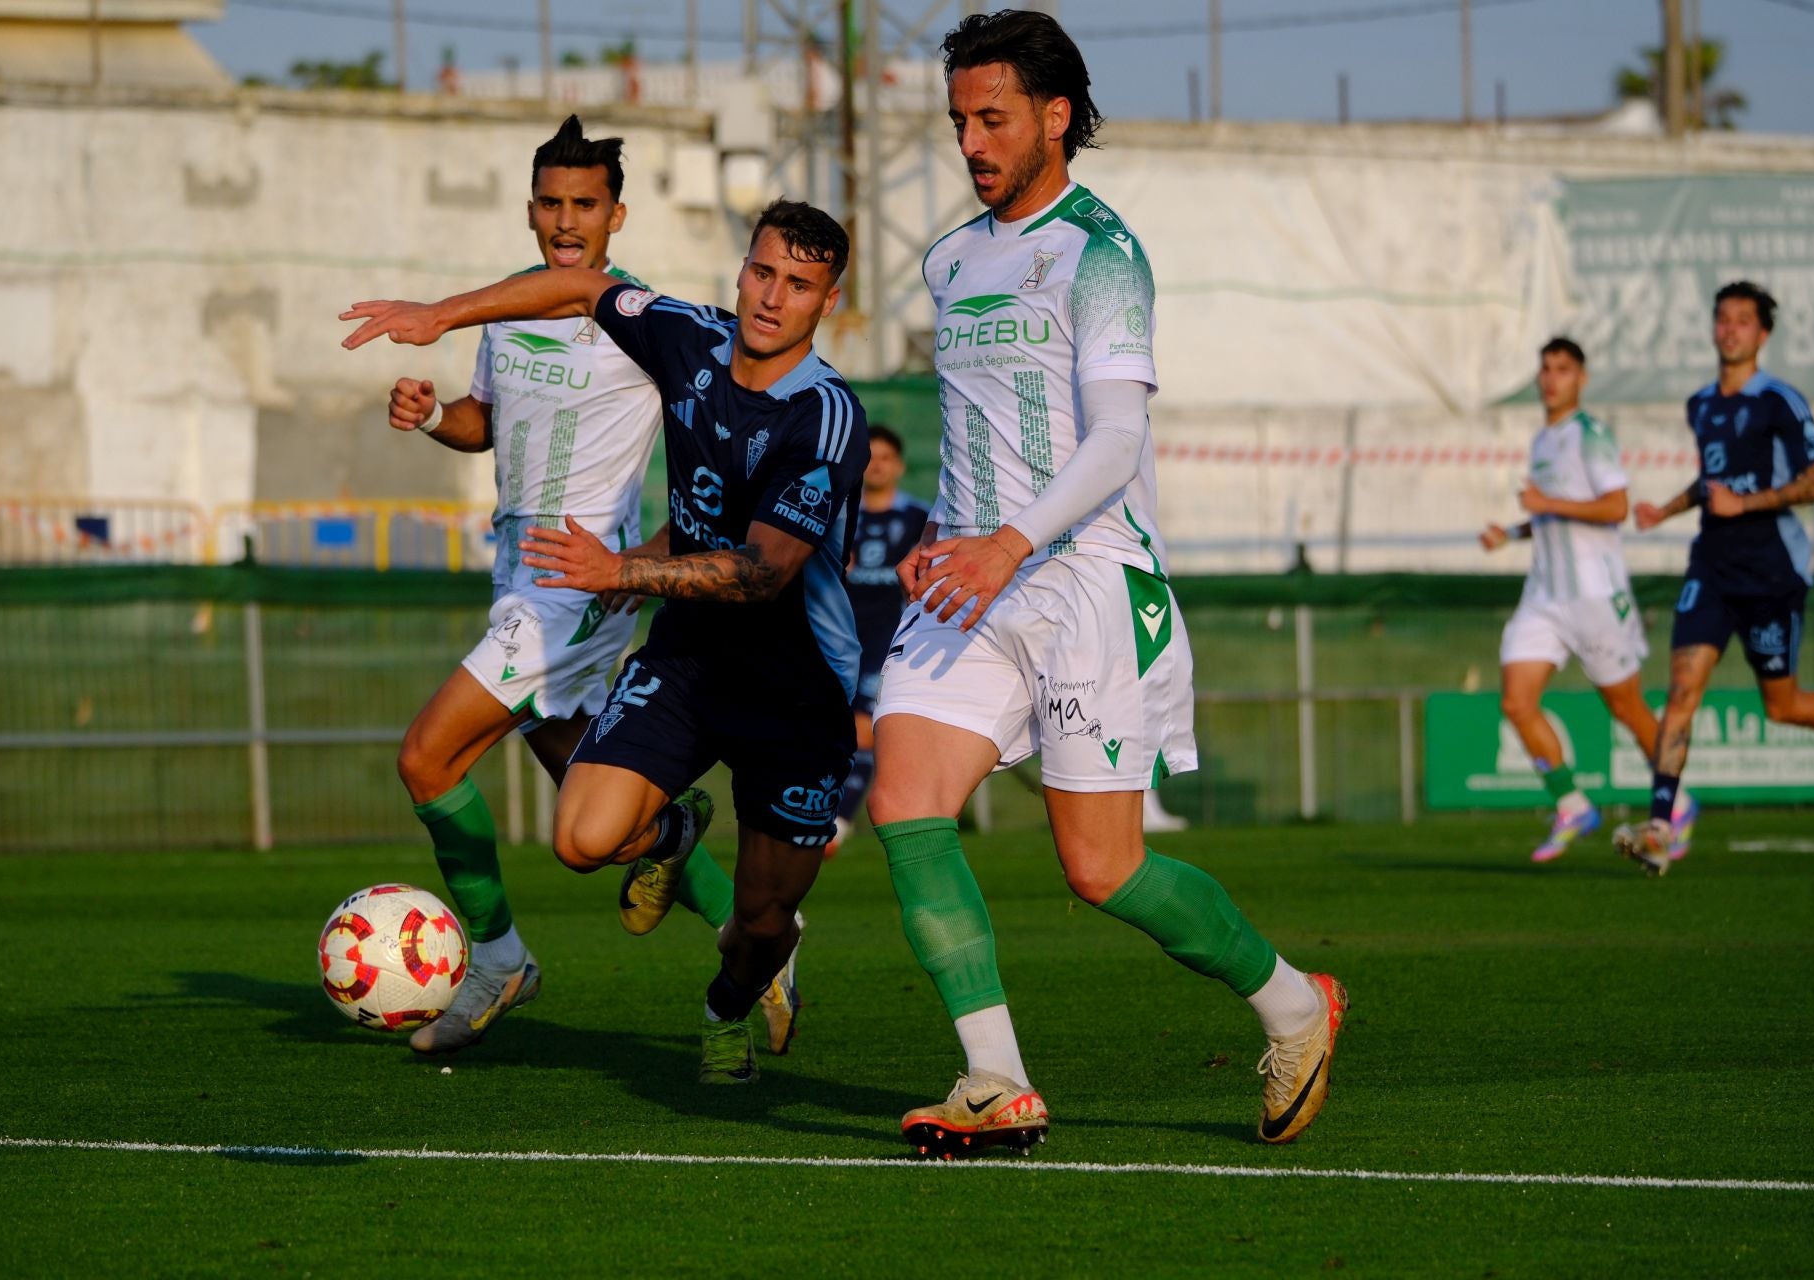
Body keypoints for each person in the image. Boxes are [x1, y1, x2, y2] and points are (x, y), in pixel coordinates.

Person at [867, 9, 1344, 1158]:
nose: (970, 142)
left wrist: (1010, 541)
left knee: (1102, 867)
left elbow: (1116, 438)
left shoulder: (1104, 253)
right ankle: (996, 1078)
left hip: (1085, 579)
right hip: (973, 579)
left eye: (992, 119)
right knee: (902, 798)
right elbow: (976, 426)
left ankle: (1295, 1003)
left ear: (1057, 116)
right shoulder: (949, 259)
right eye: (958, 120)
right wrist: (942, 532)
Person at [343, 199, 867, 1082]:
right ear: (742, 270)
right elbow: (585, 289)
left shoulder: (825, 415)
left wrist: (623, 569)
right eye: (763, 272)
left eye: (799, 285)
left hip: (794, 688)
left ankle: (725, 1004)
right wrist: (440, 315)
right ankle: (668, 833)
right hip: (690, 659)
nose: (773, 298)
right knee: (582, 840)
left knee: (763, 920)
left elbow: (764, 573)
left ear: (829, 301)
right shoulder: (689, 336)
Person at [1616, 281, 1814, 874]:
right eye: (1722, 319)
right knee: (1682, 692)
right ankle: (1661, 828)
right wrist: (1666, 510)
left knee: (1783, 706)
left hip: (1771, 571)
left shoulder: (1780, 400)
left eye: (1742, 321)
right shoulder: (1700, 404)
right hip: (1711, 567)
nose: (1730, 330)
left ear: (1763, 333)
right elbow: (1712, 482)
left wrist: (1747, 504)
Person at [1479, 337, 1696, 863]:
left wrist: (1546, 502)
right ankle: (1572, 805)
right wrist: (1512, 531)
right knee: (1516, 702)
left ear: (1582, 378)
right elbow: (1552, 513)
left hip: (1595, 596)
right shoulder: (1543, 440)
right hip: (1544, 595)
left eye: (1563, 369)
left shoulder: (1590, 435)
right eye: (1545, 368)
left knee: (1626, 707)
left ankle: (1678, 802)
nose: (1551, 378)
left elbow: (1615, 507)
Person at [829, 425, 929, 855]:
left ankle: (838, 822)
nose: (877, 466)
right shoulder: (837, 515)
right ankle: (816, 814)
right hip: (837, 633)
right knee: (828, 726)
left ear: (899, 466)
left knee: (863, 728)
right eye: (870, 457)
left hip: (889, 636)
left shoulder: (919, 518)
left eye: (886, 458)